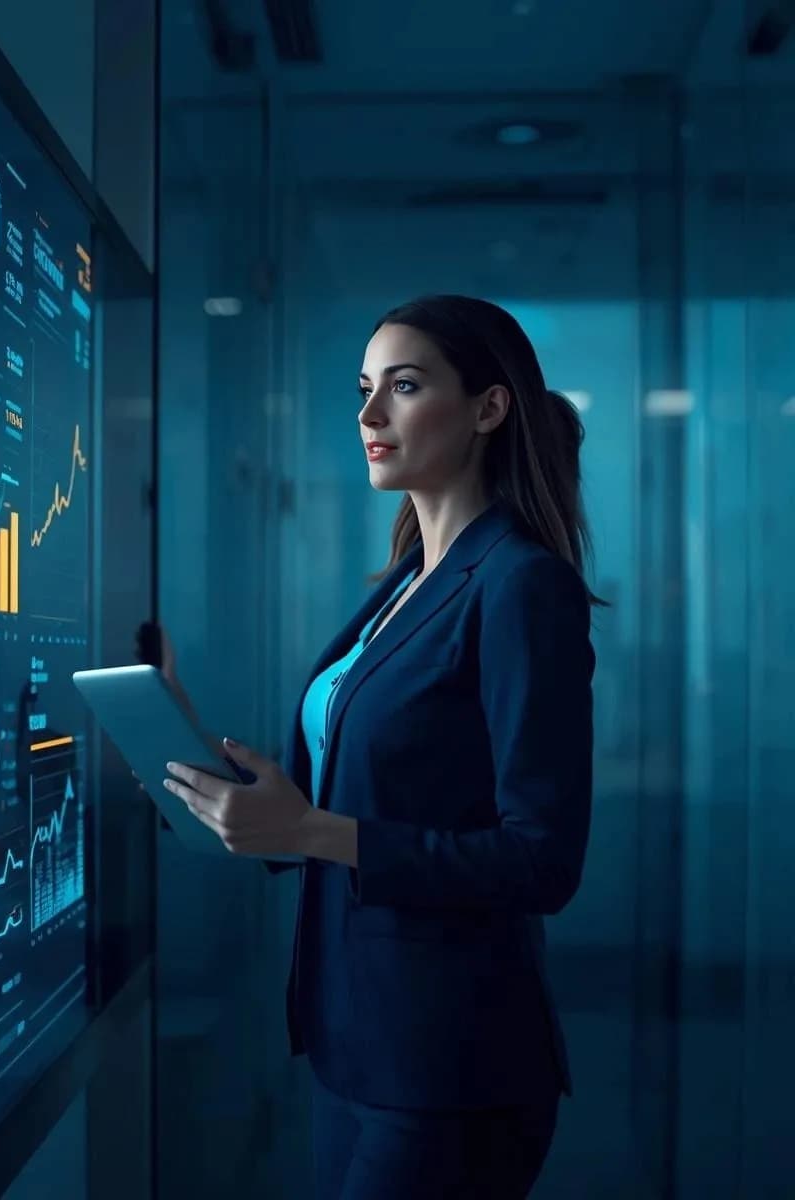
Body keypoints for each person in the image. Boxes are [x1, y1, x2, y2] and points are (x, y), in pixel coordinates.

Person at [144, 294, 601, 1199]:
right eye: (363, 389)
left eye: (404, 385)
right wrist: (178, 741)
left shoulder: (519, 586)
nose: (368, 417)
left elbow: (541, 861)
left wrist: (315, 831)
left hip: (452, 1065)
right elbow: (317, 807)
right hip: (354, 1047)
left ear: (487, 407)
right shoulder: (401, 584)